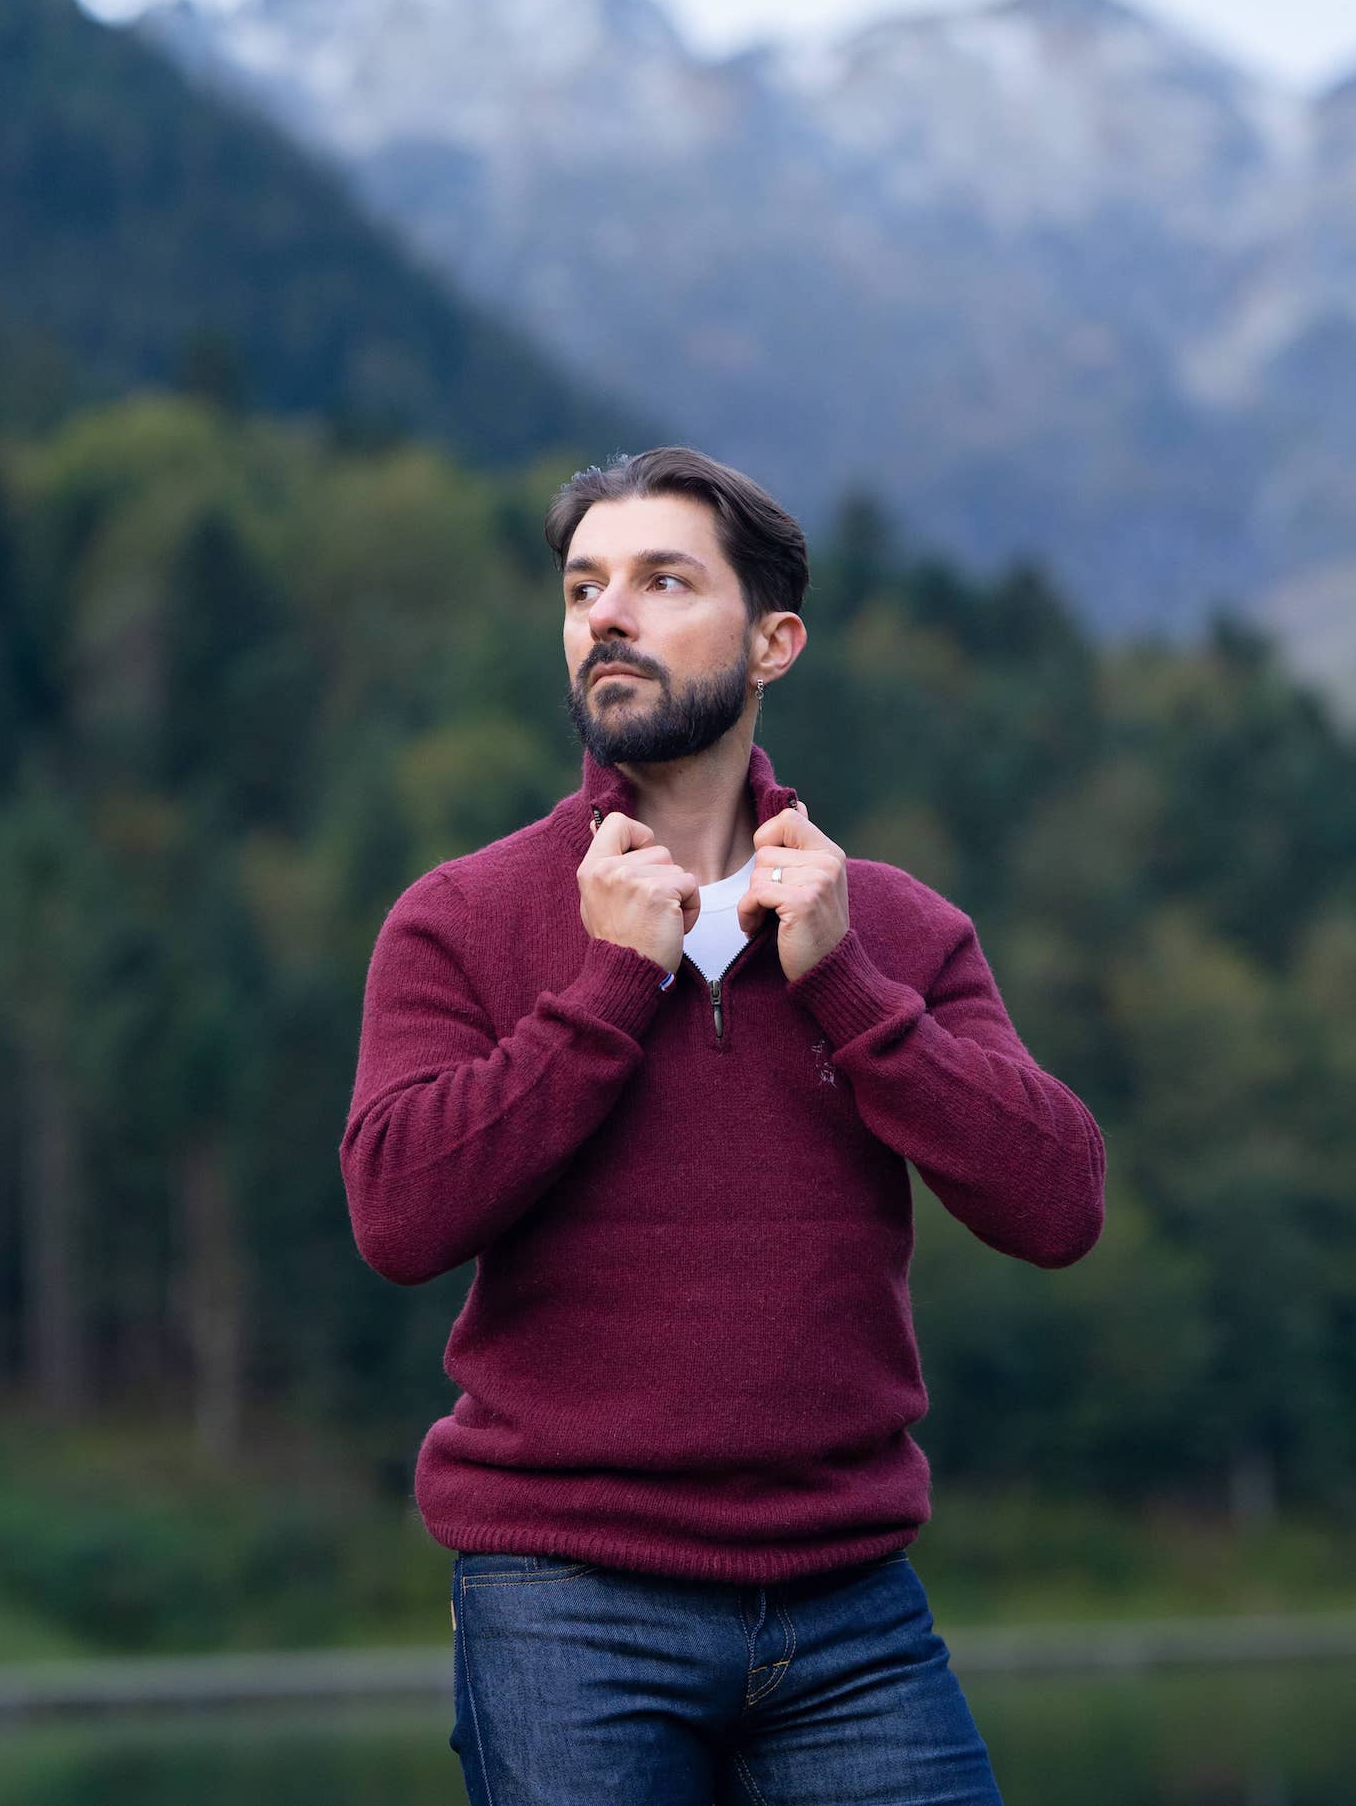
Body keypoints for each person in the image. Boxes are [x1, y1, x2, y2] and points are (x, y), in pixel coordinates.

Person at [341, 445, 1107, 1805]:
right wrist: (605, 989)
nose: (606, 616)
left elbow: (1057, 1204)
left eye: (660, 579)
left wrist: (851, 985)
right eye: (582, 587)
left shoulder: (896, 926)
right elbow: (398, 1214)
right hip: (566, 1600)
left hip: (851, 1607)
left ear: (774, 641)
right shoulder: (459, 916)